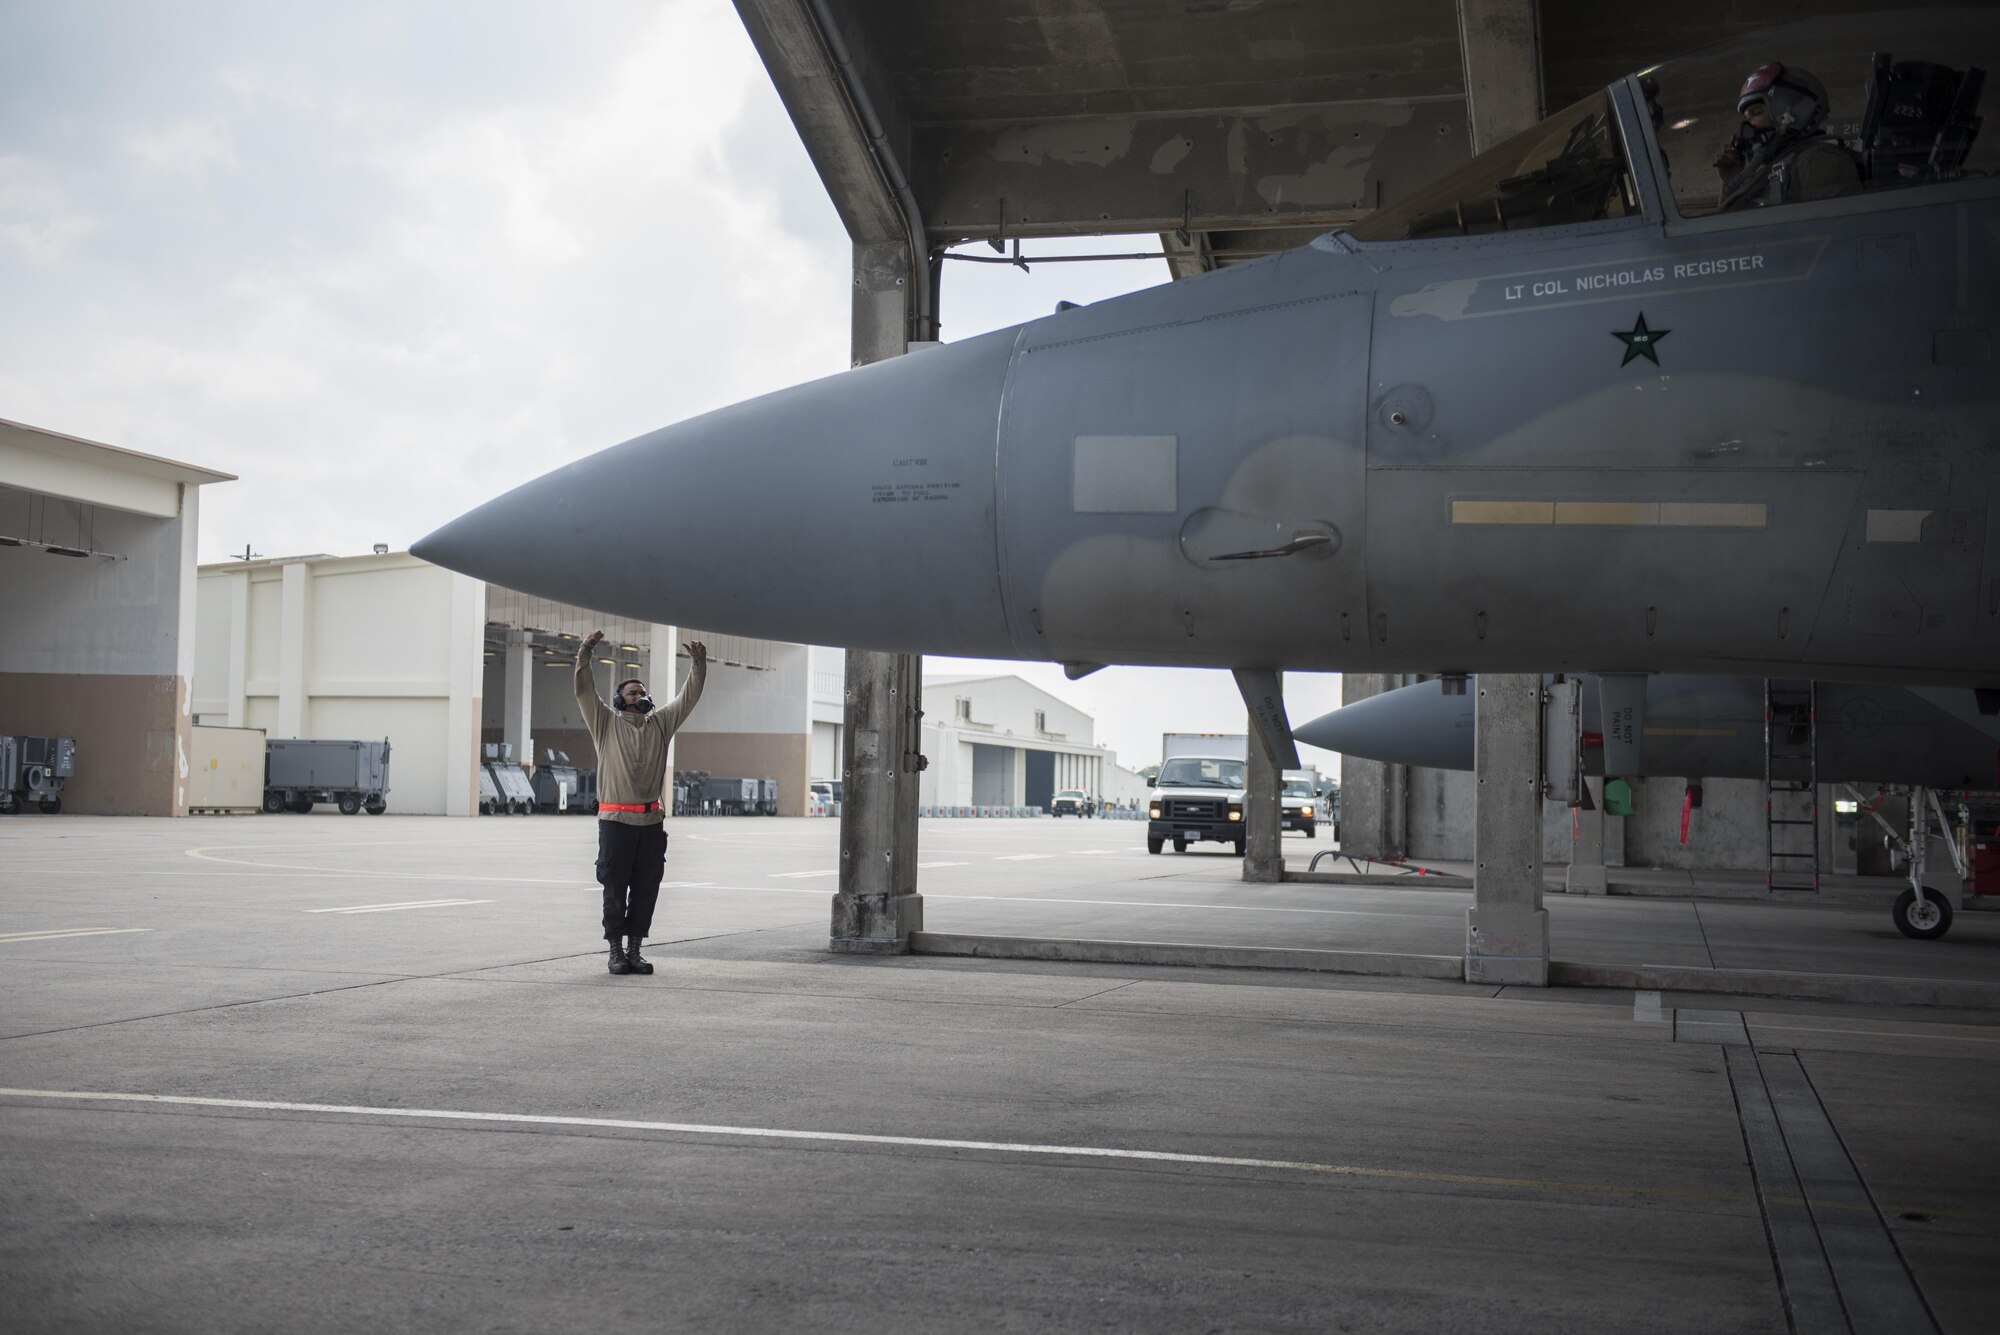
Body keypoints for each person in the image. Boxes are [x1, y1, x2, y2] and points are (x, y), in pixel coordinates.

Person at [574, 629, 706, 976]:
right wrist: (585, 652)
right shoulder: (605, 723)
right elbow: (584, 689)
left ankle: (635, 951)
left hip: (650, 825)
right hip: (616, 824)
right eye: (633, 691)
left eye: (644, 692)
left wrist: (698, 664)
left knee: (647, 889)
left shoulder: (660, 724)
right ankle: (615, 952)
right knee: (615, 888)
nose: (641, 695)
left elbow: (687, 697)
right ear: (619, 700)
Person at [1714, 62, 1862, 210]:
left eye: (1756, 113)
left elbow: (1842, 227)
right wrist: (1730, 182)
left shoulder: (1819, 160)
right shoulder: (1782, 166)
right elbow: (1725, 226)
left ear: (1790, 113)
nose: (1748, 128)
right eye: (1747, 118)